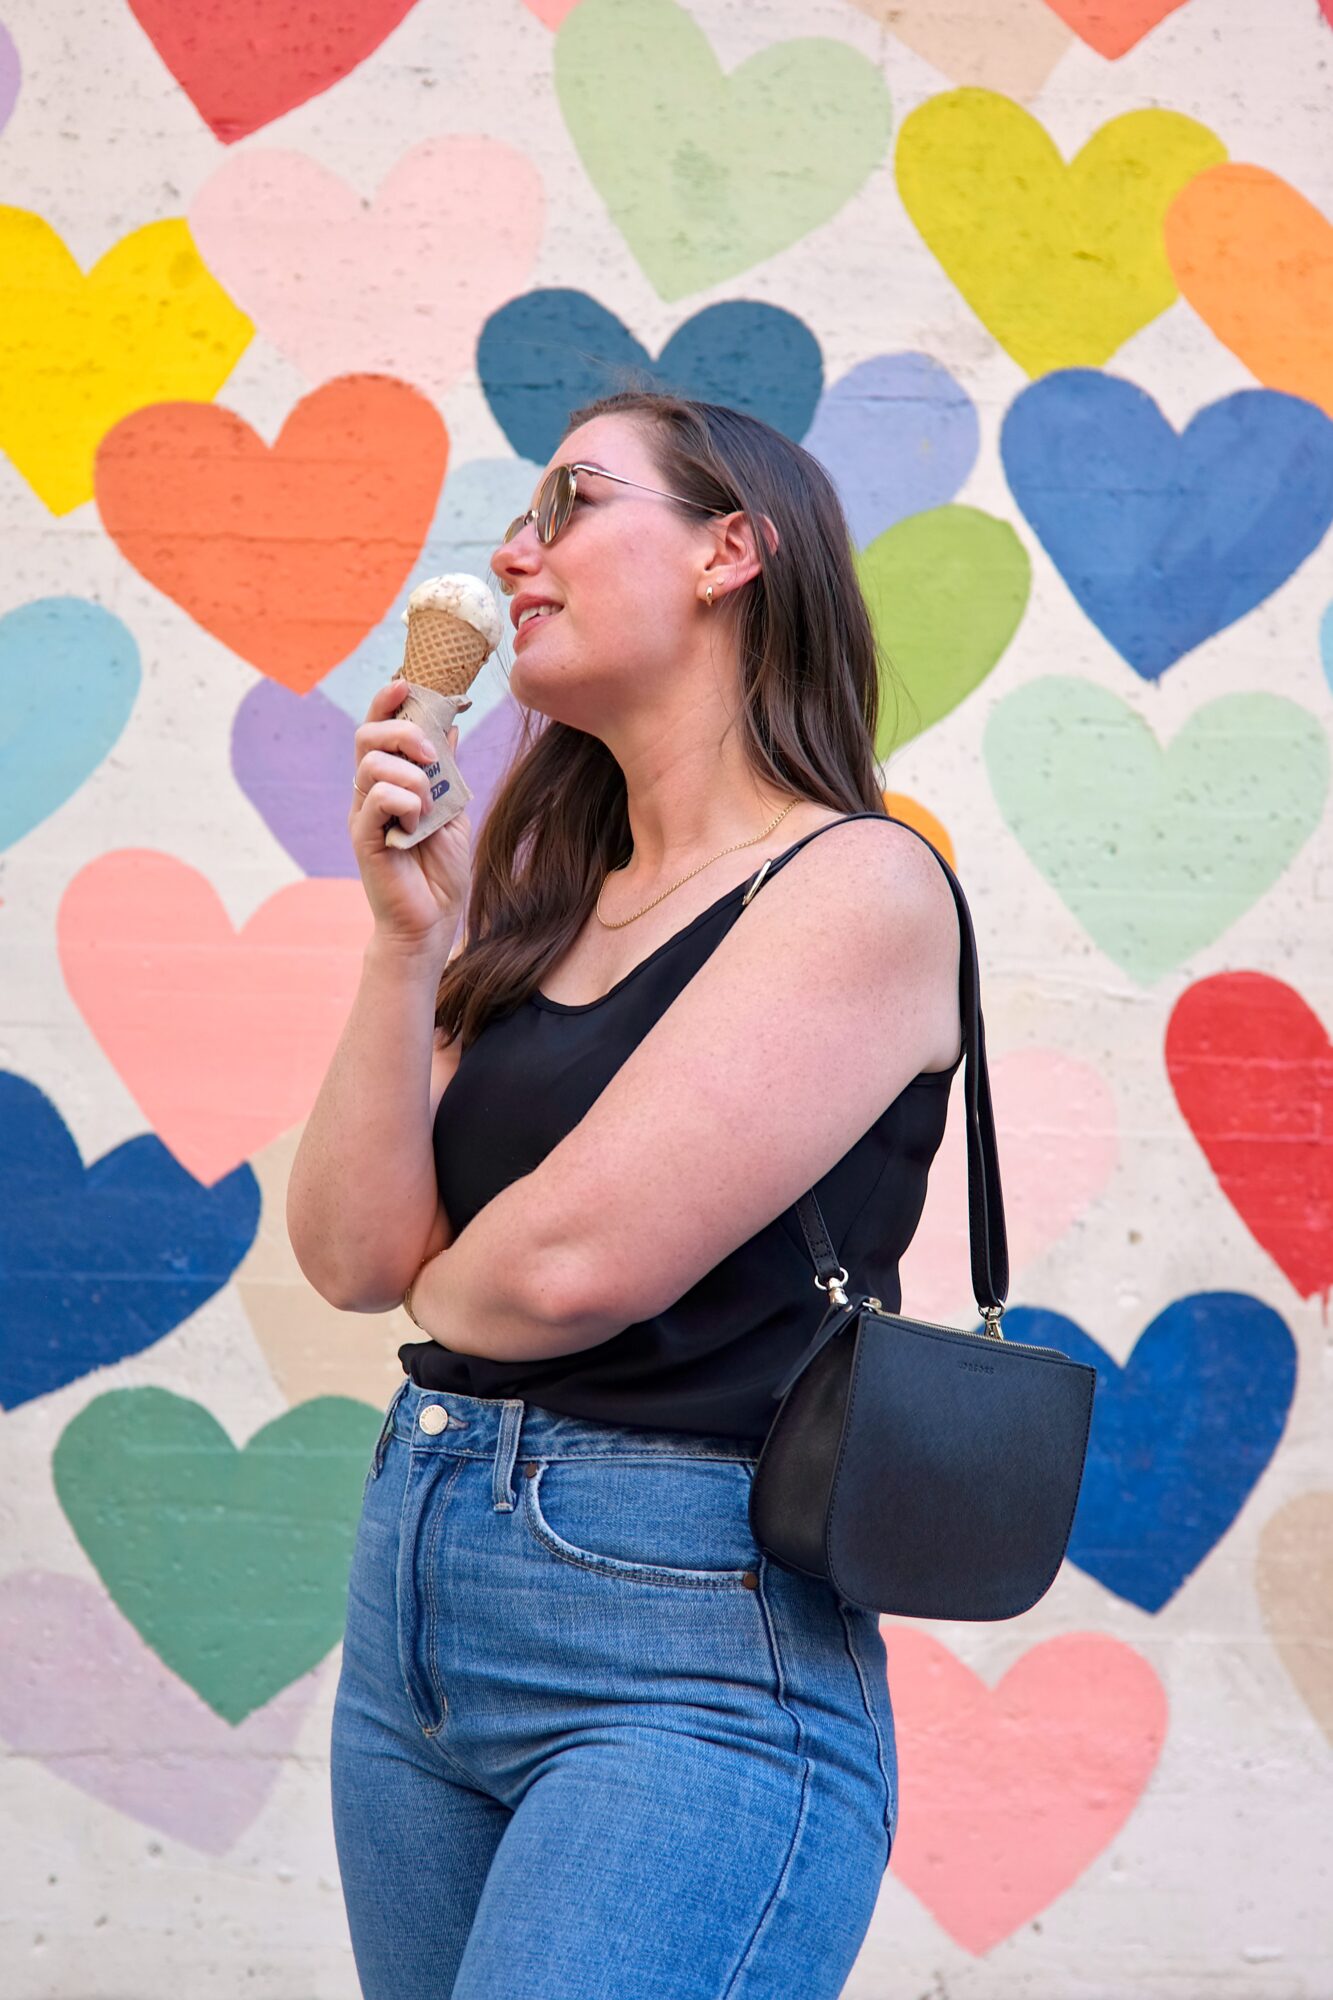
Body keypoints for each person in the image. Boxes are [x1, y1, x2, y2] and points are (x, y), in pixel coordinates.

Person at [287, 389, 965, 1999]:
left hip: (680, 1636)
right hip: (420, 1599)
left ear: (732, 549)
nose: (513, 555)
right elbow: (345, 1253)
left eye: (569, 501)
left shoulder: (857, 882)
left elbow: (564, 1271)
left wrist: (452, 1284)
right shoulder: (533, 904)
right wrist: (407, 943)